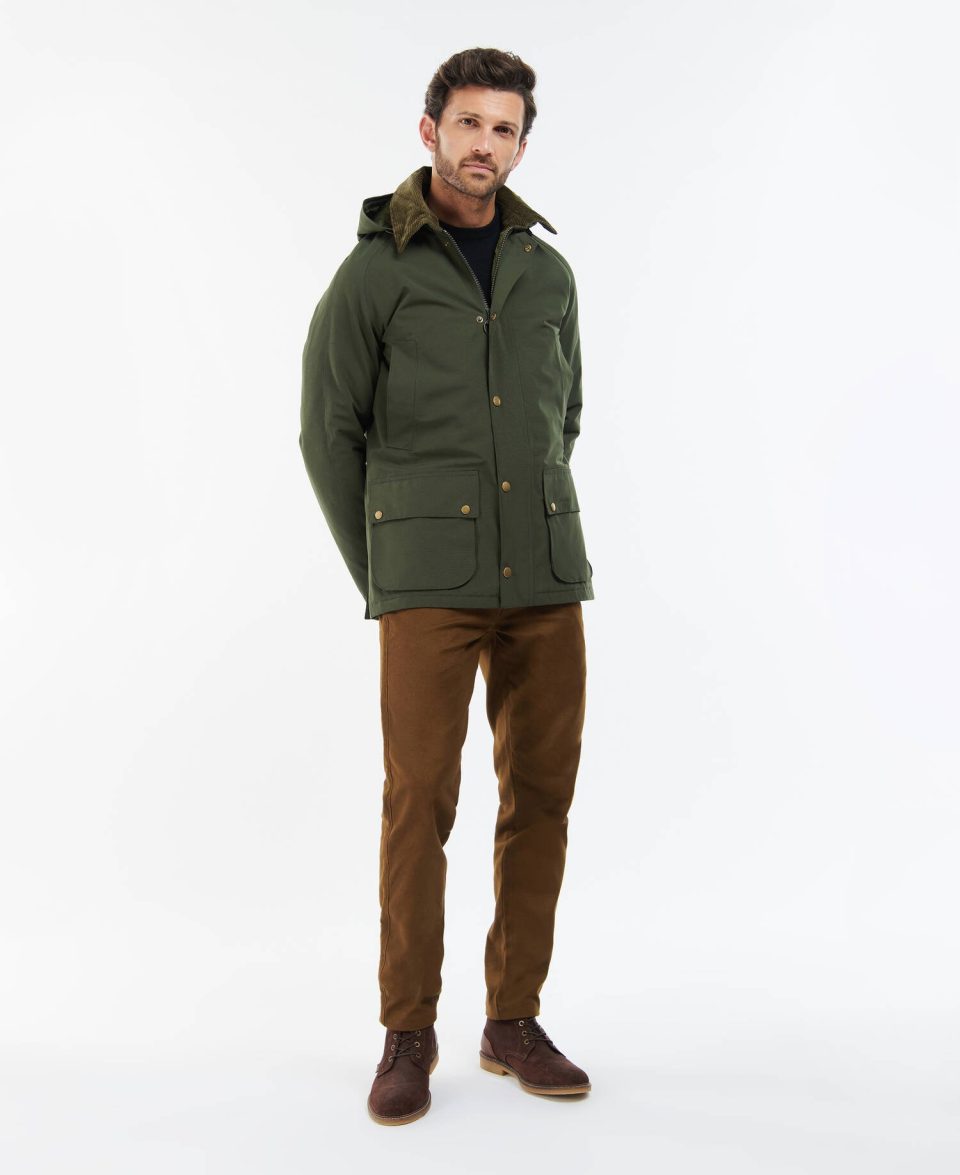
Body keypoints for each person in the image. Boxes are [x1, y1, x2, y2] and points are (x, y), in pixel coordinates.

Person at [299, 46, 595, 1125]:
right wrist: (386, 568)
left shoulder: (548, 274)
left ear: (521, 144)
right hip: (427, 581)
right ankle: (407, 1030)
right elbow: (327, 432)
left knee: (543, 796)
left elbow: (565, 416)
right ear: (431, 132)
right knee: (419, 799)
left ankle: (513, 1019)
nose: (485, 144)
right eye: (468, 123)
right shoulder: (373, 274)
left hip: (546, 577)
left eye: (504, 128)